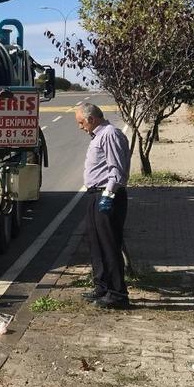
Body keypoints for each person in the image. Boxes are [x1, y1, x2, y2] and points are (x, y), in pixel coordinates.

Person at [75, 103, 131, 309]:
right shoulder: (98, 136)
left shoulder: (110, 134)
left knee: (109, 244)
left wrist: (108, 194)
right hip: (94, 194)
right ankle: (102, 287)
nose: (80, 127)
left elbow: (117, 168)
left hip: (107, 195)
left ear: (91, 119)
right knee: (96, 243)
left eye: (81, 122)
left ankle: (118, 294)